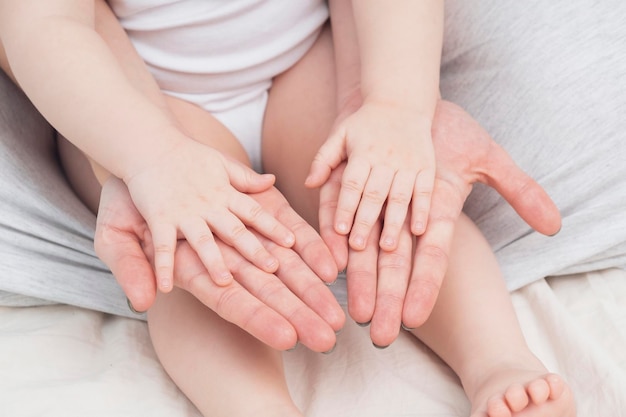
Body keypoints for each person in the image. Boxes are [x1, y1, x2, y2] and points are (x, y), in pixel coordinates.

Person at [0, 0, 576, 416]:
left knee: (392, 193)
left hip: (302, 59)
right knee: (194, 249)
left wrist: (396, 105)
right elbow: (44, 25)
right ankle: (255, 406)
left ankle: (498, 360)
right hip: (141, 103)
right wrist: (149, 158)